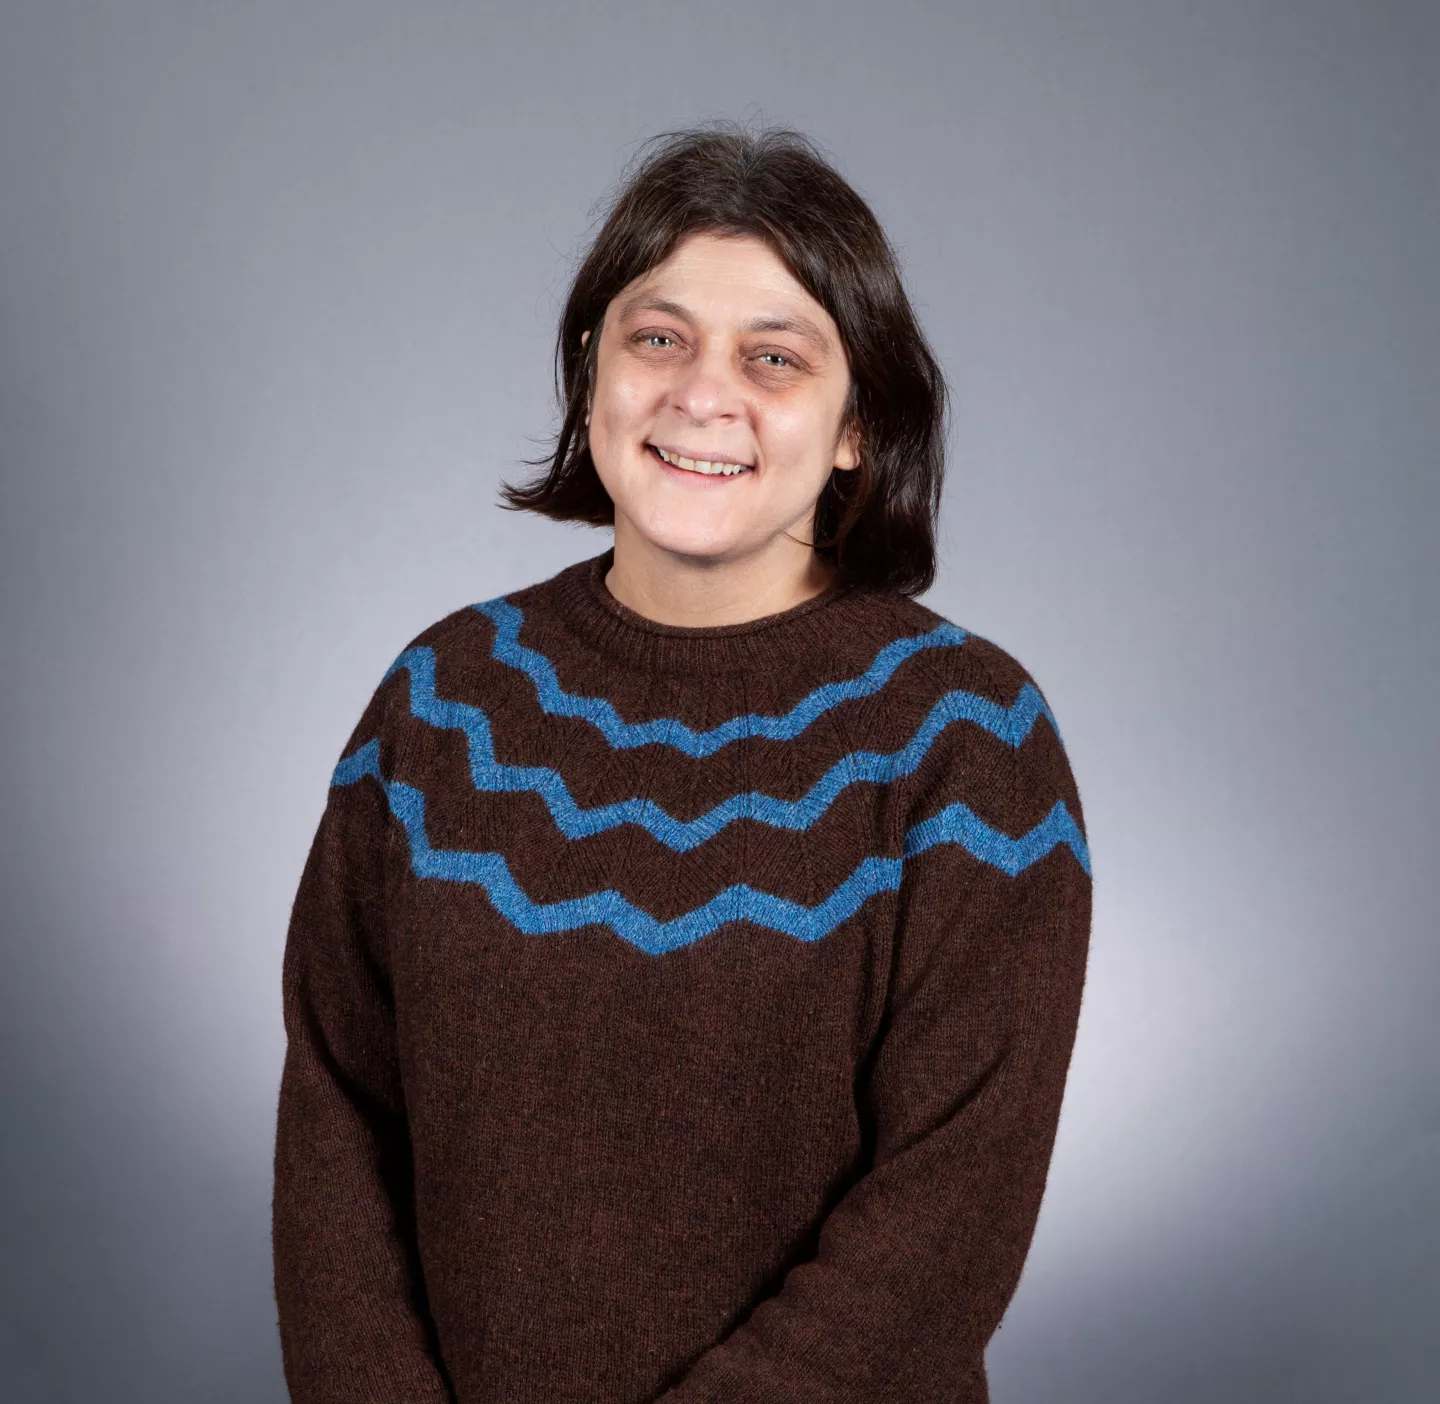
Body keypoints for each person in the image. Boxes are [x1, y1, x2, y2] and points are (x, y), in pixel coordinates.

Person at [271, 121, 1092, 1404]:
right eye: (659, 338)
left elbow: (948, 1216)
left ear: (856, 428)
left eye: (775, 358)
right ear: (593, 372)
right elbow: (335, 1122)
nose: (703, 394)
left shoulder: (967, 740)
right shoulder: (440, 703)